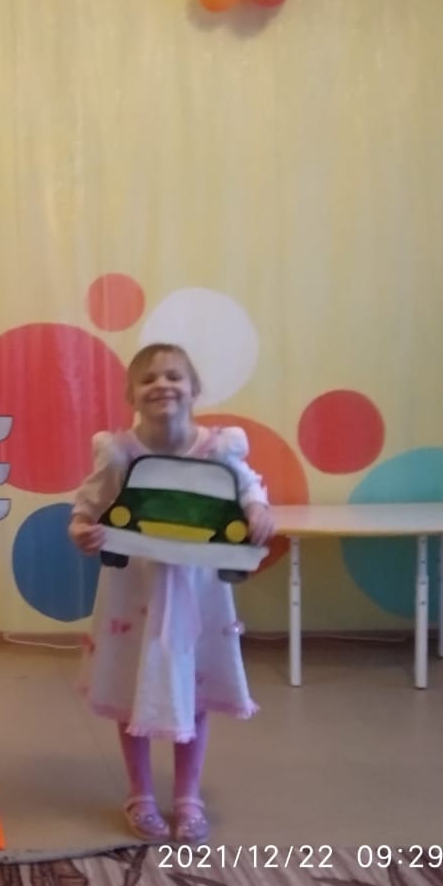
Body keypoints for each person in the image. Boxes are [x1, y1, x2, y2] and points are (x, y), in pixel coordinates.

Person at [68, 342, 274, 845]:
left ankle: (188, 797)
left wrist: (257, 511)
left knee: (194, 687)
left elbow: (249, 489)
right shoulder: (120, 452)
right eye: (149, 378)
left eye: (174, 376)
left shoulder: (219, 449)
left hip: (197, 590)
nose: (162, 384)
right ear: (131, 395)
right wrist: (81, 530)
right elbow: (88, 505)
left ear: (193, 389)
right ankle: (140, 793)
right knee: (131, 686)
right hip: (134, 591)